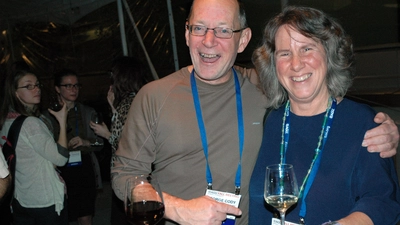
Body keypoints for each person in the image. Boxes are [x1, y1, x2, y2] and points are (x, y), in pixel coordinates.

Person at [111, 0, 400, 224]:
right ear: (186, 34)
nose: (209, 41)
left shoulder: (261, 93)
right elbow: (124, 176)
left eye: (223, 30)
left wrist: (382, 127)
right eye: (199, 28)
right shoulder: (154, 97)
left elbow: (381, 195)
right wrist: (179, 210)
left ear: (243, 38)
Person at [249, 6, 400, 225]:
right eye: (285, 53)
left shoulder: (362, 122)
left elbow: (383, 201)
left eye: (307, 49)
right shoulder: (273, 120)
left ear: (329, 54)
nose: (296, 64)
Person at [0, 70, 69, 225]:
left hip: (22, 198)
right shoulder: (31, 123)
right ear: (15, 93)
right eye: (28, 86)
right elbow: (61, 158)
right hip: (44, 200)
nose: (36, 89)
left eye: (37, 85)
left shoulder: (5, 121)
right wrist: (62, 121)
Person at [89, 56, 150, 225]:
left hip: (131, 176)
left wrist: (107, 134)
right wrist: (113, 107)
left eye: (113, 74)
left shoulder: (129, 103)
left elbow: (126, 145)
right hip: (141, 176)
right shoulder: (141, 98)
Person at [44, 69, 103, 225]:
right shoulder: (47, 116)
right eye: (68, 86)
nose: (73, 89)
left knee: (85, 216)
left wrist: (86, 142)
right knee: (63, 216)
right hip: (58, 170)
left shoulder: (87, 112)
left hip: (83, 169)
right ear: (57, 88)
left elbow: (101, 143)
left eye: (76, 85)